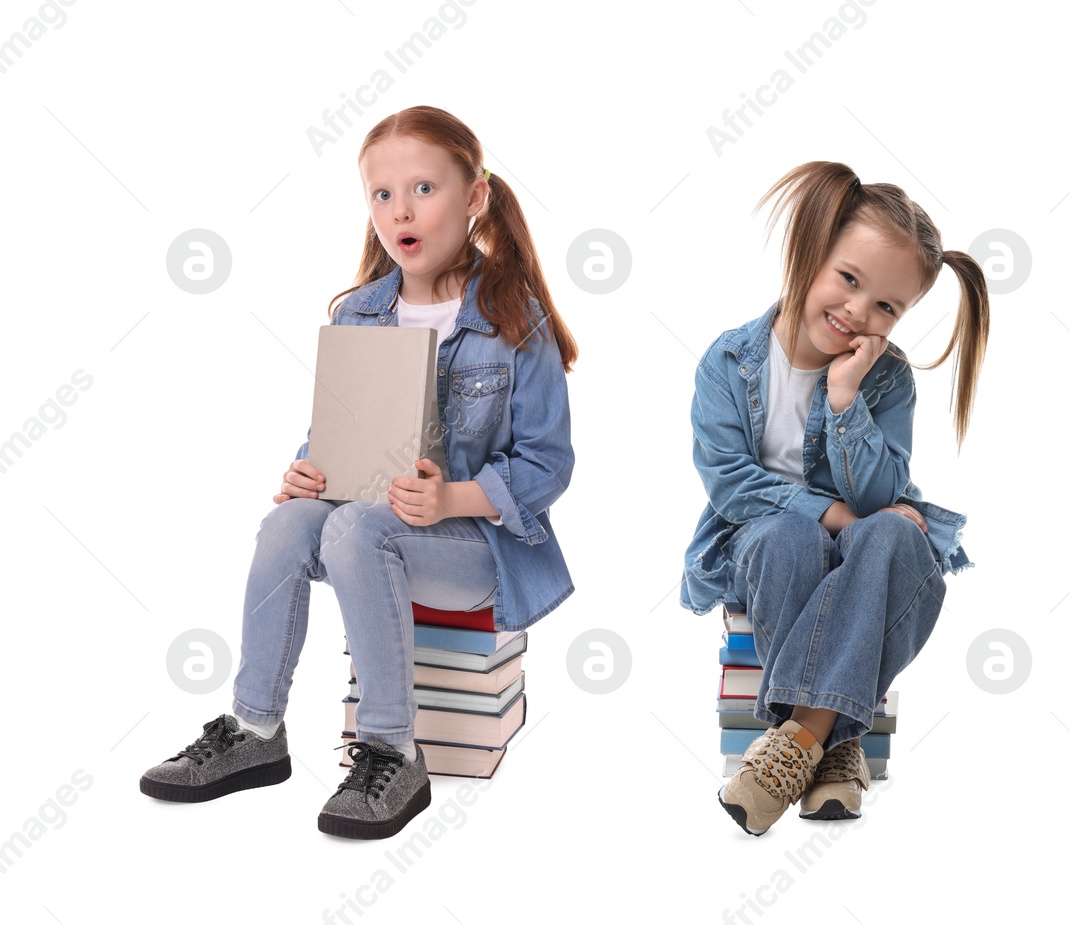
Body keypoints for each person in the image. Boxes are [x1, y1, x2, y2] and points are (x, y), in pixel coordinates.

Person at [139, 105, 579, 838]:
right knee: (290, 522)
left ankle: (389, 749)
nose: (399, 210)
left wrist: (450, 499)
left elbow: (548, 464)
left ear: (474, 198)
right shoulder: (359, 315)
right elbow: (331, 438)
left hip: (476, 547)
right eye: (382, 194)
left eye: (424, 189)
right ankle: (254, 729)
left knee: (355, 527)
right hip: (365, 529)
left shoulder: (512, 317)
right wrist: (309, 471)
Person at [681, 161, 990, 835]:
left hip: (861, 540)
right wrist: (829, 513)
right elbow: (732, 483)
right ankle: (841, 746)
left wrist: (846, 398)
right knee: (792, 537)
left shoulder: (887, 379)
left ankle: (797, 742)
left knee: (899, 534)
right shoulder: (729, 362)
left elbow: (879, 495)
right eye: (849, 279)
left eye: (886, 306)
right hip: (757, 540)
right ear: (811, 251)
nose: (858, 311)